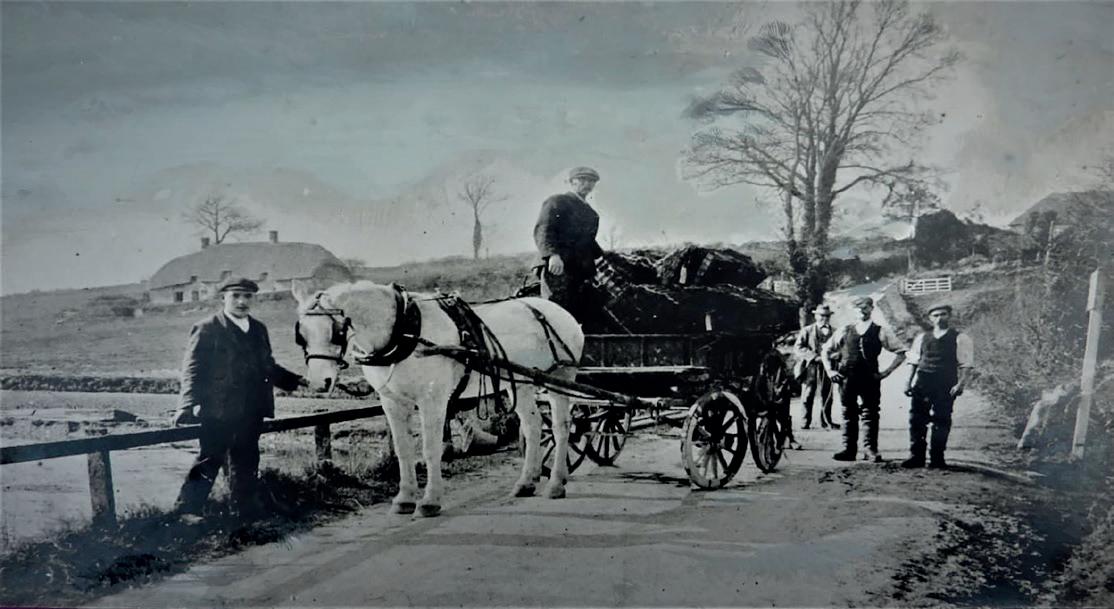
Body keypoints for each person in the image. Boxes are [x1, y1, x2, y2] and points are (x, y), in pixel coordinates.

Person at [172, 277, 306, 521]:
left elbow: (267, 366)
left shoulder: (258, 329)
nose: (242, 301)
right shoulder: (207, 328)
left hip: (253, 408)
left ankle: (244, 512)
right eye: (236, 296)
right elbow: (192, 369)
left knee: (247, 460)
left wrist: (296, 381)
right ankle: (186, 511)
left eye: (248, 296)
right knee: (209, 458)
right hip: (217, 409)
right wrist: (187, 405)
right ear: (223, 298)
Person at [821, 296, 907, 463]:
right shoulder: (845, 330)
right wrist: (830, 371)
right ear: (853, 311)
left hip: (869, 379)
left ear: (871, 309)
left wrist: (886, 372)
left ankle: (870, 450)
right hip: (847, 378)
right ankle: (849, 450)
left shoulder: (880, 331)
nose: (862, 311)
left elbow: (901, 352)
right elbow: (826, 350)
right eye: (858, 308)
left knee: (871, 413)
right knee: (848, 413)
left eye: (865, 307)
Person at [901, 304, 974, 469]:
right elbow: (913, 361)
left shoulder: (960, 338)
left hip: (945, 384)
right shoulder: (922, 338)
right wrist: (908, 382)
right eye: (936, 315)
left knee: (942, 419)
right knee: (917, 419)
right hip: (923, 383)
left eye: (943, 314)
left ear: (949, 316)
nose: (940, 318)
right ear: (930, 318)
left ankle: (937, 458)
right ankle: (916, 456)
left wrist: (961, 384)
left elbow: (966, 364)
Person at [533, 166, 604, 325]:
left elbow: (588, 242)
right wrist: (552, 255)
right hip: (558, 266)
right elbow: (544, 228)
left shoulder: (592, 214)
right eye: (582, 180)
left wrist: (603, 258)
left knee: (582, 312)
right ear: (572, 182)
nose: (587, 184)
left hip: (580, 268)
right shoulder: (558, 202)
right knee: (557, 310)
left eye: (591, 181)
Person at [794, 304, 838, 430]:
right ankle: (805, 421)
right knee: (808, 394)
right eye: (822, 315)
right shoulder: (807, 330)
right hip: (810, 367)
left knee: (827, 393)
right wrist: (813, 356)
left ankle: (826, 421)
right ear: (816, 316)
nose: (825, 318)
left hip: (828, 367)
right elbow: (798, 347)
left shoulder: (835, 332)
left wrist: (834, 355)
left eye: (827, 316)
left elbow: (840, 348)